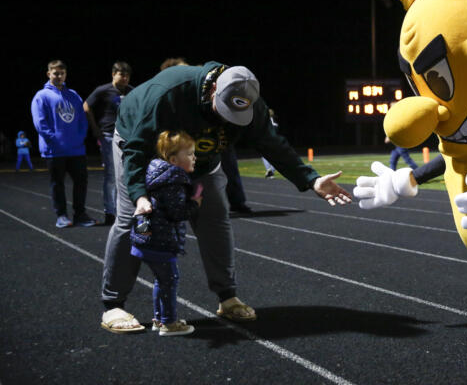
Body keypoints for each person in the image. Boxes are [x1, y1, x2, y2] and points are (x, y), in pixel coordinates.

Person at [100, 61, 352, 333]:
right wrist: (139, 195)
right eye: (226, 110)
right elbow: (136, 148)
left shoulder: (251, 104)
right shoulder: (167, 94)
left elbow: (272, 144)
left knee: (215, 218)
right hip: (143, 147)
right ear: (212, 92)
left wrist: (311, 179)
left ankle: (227, 296)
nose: (228, 120)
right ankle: (113, 304)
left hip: (200, 158)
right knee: (131, 220)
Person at [123, 130, 201, 336]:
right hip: (160, 240)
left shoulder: (158, 174)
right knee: (170, 279)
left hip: (147, 238)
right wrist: (194, 203)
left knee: (161, 279)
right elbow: (177, 213)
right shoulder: (174, 180)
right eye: (190, 153)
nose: (195, 157)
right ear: (174, 159)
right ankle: (168, 323)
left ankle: (160, 319)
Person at [159, 57, 253, 214]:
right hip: (193, 138)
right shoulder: (174, 91)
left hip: (217, 134)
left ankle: (236, 201)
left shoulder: (203, 79)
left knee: (229, 168)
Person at [31, 60, 95, 228]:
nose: (59, 76)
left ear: (66, 74)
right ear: (48, 74)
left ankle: (80, 215)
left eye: (62, 73)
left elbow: (82, 119)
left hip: (76, 149)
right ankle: (61, 216)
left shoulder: (73, 95)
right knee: (57, 184)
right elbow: (40, 123)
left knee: (81, 182)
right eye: (55, 73)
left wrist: (80, 138)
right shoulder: (41, 96)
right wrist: (55, 140)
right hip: (55, 150)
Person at [84, 61, 134, 225]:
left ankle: (124, 211)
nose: (125, 78)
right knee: (111, 175)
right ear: (113, 74)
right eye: (121, 74)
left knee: (127, 175)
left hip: (127, 136)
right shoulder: (103, 90)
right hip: (108, 136)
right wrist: (95, 128)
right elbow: (86, 106)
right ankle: (110, 212)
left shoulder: (131, 91)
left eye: (127, 75)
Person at [261, 109, 278, 178]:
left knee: (265, 157)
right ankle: (271, 172)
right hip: (274, 142)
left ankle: (269, 170)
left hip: (267, 141)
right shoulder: (274, 123)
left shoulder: (265, 122)